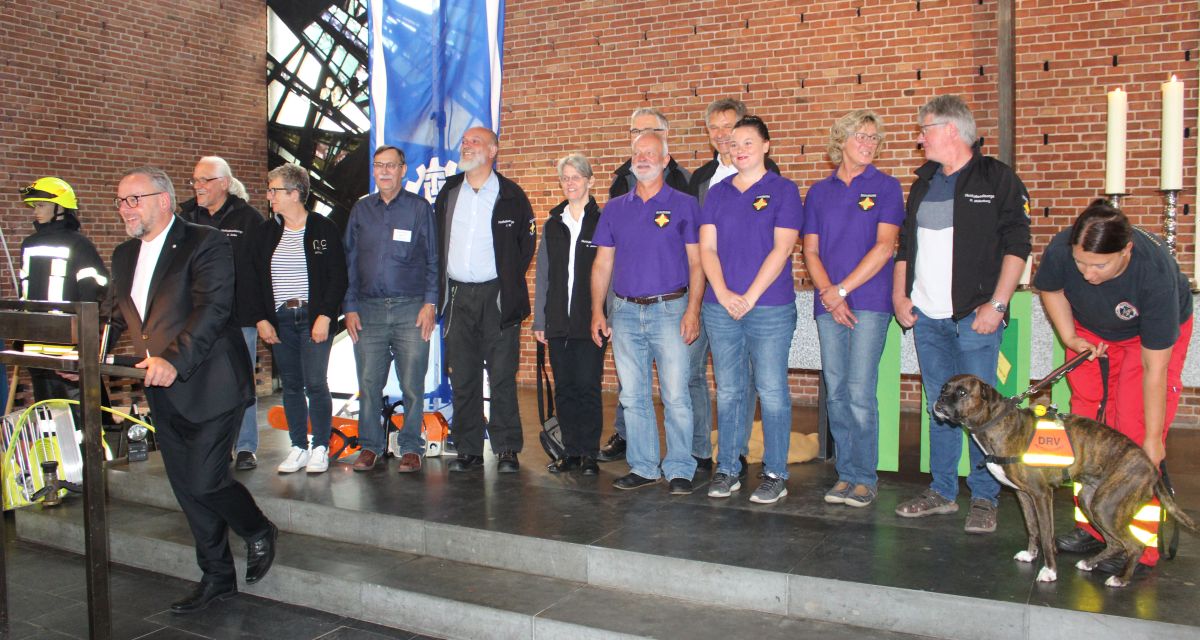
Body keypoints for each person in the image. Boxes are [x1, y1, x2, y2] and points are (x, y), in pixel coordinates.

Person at [106, 167, 275, 613]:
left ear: (163, 199)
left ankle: (257, 528)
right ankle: (218, 576)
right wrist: (84, 350)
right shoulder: (124, 255)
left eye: (134, 199)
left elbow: (213, 309)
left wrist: (173, 360)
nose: (126, 209)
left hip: (212, 382)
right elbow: (113, 315)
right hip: (161, 388)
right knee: (186, 487)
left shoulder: (204, 241)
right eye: (121, 201)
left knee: (206, 479)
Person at [892, 95, 1031, 534]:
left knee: (982, 412)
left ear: (951, 130)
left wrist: (997, 304)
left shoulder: (998, 178)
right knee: (941, 409)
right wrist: (900, 296)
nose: (919, 138)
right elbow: (906, 249)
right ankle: (942, 491)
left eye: (924, 129)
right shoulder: (923, 183)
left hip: (975, 318)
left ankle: (986, 498)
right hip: (928, 320)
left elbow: (1018, 246)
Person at [1035, 200, 1192, 573]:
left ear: (1126, 251)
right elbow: (1051, 290)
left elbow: (1156, 369)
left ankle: (1134, 543)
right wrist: (1071, 337)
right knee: (1084, 431)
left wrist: (1153, 440)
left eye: (1100, 265)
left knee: (1132, 437)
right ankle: (1092, 526)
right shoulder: (1062, 248)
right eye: (1081, 263)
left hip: (1145, 341)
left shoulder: (1154, 274)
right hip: (1091, 333)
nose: (1088, 273)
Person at [802, 110, 905, 508]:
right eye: (861, 136)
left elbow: (885, 247)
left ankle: (865, 476)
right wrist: (829, 292)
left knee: (861, 391)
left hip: (869, 303)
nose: (869, 143)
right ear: (841, 140)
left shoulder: (887, 187)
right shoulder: (819, 191)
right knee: (837, 391)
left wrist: (842, 289)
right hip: (828, 302)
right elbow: (810, 250)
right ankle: (845, 474)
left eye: (874, 138)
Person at [601, 107, 711, 474]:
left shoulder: (685, 204)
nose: (643, 158)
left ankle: (680, 468)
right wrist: (596, 312)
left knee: (676, 396)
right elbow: (602, 265)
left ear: (666, 159)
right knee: (633, 398)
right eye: (637, 154)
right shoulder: (615, 208)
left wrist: (693, 309)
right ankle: (644, 467)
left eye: (650, 152)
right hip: (625, 312)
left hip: (671, 311)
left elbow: (698, 264)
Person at [698, 116, 802, 504]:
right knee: (728, 391)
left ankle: (775, 472)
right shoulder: (718, 192)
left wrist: (750, 296)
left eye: (748, 142)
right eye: (734, 143)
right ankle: (727, 467)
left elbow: (782, 248)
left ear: (766, 146)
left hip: (770, 308)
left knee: (771, 390)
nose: (739, 149)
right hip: (720, 307)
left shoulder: (784, 190)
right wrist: (724, 294)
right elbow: (707, 249)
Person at [435, 128, 535, 473]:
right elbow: (437, 242)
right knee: (462, 375)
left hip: (497, 296)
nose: (466, 146)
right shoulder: (449, 192)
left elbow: (525, 246)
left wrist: (504, 279)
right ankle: (468, 448)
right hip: (457, 294)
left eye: (474, 141)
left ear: (493, 150)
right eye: (464, 142)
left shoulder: (511, 195)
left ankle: (507, 448)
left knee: (503, 374)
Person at [342, 145, 439, 473]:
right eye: (378, 165)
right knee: (368, 383)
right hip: (367, 310)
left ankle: (411, 447)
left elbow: (433, 260)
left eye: (391, 166)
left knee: (413, 383)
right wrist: (350, 306)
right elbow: (350, 261)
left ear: (402, 170)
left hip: (410, 309)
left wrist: (430, 303)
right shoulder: (361, 211)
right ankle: (370, 446)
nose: (384, 171)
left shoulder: (419, 209)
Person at [249, 164, 347, 474]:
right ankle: (297, 447)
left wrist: (326, 316)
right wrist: (262, 319)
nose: (269, 196)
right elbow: (252, 278)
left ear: (295, 193)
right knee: (291, 385)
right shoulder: (264, 233)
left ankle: (320, 445)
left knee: (316, 383)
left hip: (313, 317)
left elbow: (338, 277)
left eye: (274, 190)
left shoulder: (322, 228)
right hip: (280, 319)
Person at [180, 157, 266, 471]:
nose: (198, 187)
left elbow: (260, 271)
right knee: (201, 383)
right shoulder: (186, 217)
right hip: (197, 317)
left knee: (241, 384)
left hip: (239, 318)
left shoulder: (249, 219)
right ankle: (211, 447)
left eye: (205, 180)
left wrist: (260, 315)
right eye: (195, 181)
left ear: (224, 183)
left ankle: (245, 447)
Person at [533, 154, 605, 475]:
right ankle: (570, 451)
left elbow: (612, 274)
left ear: (590, 180)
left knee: (587, 386)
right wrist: (540, 321)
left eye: (577, 177)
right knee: (565, 388)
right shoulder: (552, 225)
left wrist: (607, 317)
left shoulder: (603, 222)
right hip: (558, 322)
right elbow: (543, 277)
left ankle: (589, 453)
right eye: (566, 178)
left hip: (591, 322)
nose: (571, 183)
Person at [17, 177, 110, 405]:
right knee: (49, 415)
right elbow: (26, 290)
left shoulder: (79, 245)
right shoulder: (28, 244)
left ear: (60, 208)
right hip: (36, 345)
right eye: (35, 206)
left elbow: (94, 294)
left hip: (68, 346)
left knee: (79, 414)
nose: (36, 211)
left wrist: (86, 344)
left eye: (41, 205)